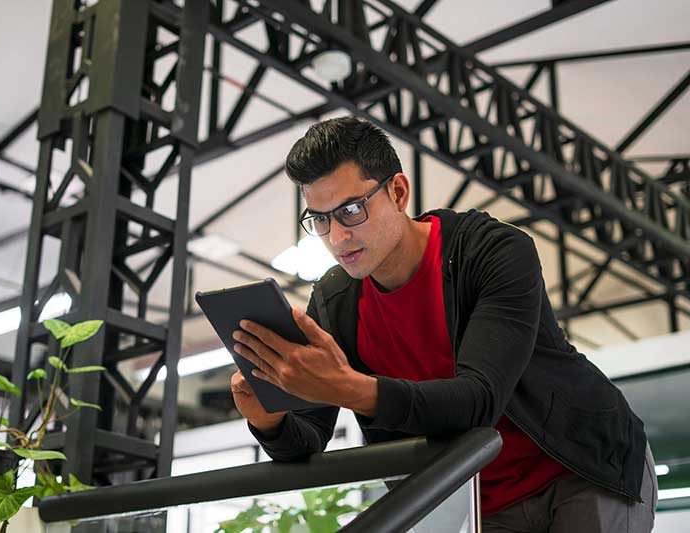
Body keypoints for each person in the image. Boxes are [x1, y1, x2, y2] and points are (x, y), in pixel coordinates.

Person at [229, 116, 657, 532]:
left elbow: (479, 400)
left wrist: (345, 387)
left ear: (398, 192)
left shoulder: (493, 252)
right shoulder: (333, 300)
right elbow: (308, 440)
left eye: (352, 210)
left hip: (579, 468)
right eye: (320, 219)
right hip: (477, 503)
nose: (337, 237)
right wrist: (268, 420)